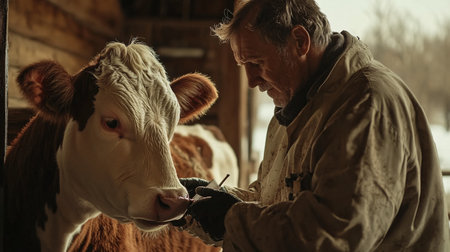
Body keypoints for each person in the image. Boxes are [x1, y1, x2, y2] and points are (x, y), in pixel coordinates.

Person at [172, 0, 450, 251]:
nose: (251, 81)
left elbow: (334, 236)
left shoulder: (366, 106)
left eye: (256, 62)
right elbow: (277, 203)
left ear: (299, 42)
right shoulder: (295, 109)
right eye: (243, 65)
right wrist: (211, 200)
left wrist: (230, 219)